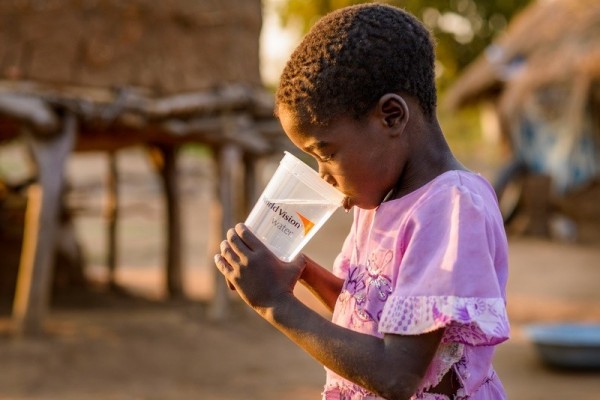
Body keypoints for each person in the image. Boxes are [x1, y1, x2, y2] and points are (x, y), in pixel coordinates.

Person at [214, 4, 510, 399]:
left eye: (326, 153)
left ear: (391, 116)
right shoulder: (382, 202)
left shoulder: (452, 207)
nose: (322, 174)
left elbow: (398, 374)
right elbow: (375, 319)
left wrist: (274, 303)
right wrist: (301, 273)